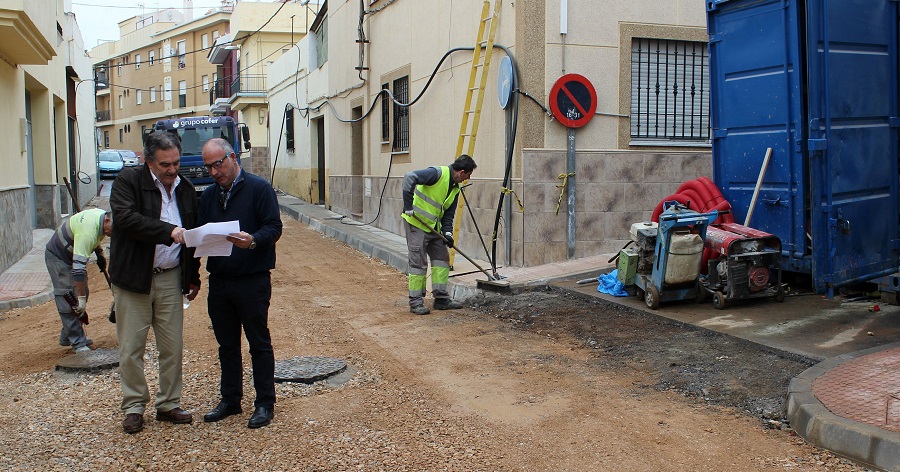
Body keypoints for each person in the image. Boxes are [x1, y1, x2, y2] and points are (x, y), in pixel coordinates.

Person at [109, 131, 201, 434]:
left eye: (175, 163)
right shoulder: (128, 182)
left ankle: (168, 404)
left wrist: (193, 275)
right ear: (148, 161)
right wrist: (169, 231)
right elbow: (125, 219)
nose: (172, 170)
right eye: (165, 165)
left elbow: (194, 237)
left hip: (170, 277)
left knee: (172, 347)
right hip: (134, 279)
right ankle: (134, 406)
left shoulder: (185, 188)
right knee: (131, 348)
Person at [198, 138, 282, 429]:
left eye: (217, 164)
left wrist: (254, 241)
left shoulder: (259, 189)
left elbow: (274, 226)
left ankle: (264, 403)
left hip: (252, 280)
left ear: (233, 157)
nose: (213, 172)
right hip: (220, 281)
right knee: (226, 345)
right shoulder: (209, 196)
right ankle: (231, 400)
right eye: (208, 167)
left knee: (259, 344)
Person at [401, 154, 477, 315]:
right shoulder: (437, 174)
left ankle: (441, 299)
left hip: (434, 227)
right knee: (418, 263)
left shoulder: (455, 188)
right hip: (416, 223)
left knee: (442, 260)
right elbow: (409, 177)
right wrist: (408, 205)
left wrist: (447, 233)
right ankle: (415, 302)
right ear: (461, 172)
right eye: (467, 176)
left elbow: (448, 215)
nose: (466, 179)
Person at [45, 208, 112, 353]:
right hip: (58, 256)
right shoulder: (88, 232)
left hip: (71, 253)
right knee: (69, 298)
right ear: (107, 220)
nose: (112, 234)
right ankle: (78, 342)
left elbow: (95, 238)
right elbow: (78, 270)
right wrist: (80, 301)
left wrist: (99, 252)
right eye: (113, 230)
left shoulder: (101, 218)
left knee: (83, 294)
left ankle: (67, 336)